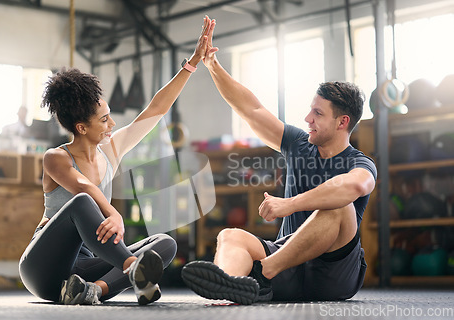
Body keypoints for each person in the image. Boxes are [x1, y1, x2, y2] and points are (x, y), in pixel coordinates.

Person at [19, 16, 216, 306]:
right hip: (44, 269)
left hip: (82, 271)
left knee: (164, 244)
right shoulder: (56, 158)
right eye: (104, 119)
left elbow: (156, 109)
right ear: (81, 128)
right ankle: (133, 269)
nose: (112, 123)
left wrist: (192, 64)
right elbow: (83, 187)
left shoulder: (110, 150)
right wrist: (113, 213)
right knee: (83, 203)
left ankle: (93, 291)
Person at [181, 16, 377, 305]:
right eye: (310, 110)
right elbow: (251, 109)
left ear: (342, 122)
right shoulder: (298, 143)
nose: (308, 119)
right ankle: (229, 291)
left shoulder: (360, 163)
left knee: (339, 206)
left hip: (332, 273)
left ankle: (262, 274)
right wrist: (213, 66)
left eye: (318, 114)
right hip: (289, 265)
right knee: (230, 236)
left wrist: (289, 204)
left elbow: (355, 187)